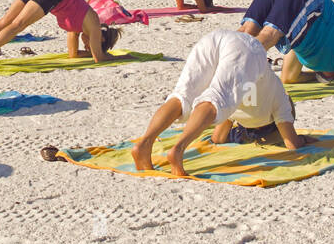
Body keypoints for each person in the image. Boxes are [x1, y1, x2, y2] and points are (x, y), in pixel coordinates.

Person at [131, 30, 306, 177]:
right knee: (215, 99)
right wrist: (304, 140)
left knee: (183, 96)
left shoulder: (239, 108)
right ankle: (178, 149)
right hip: (248, 50)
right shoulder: (281, 100)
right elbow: (291, 143)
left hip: (218, 38)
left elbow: (218, 138)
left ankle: (144, 144)